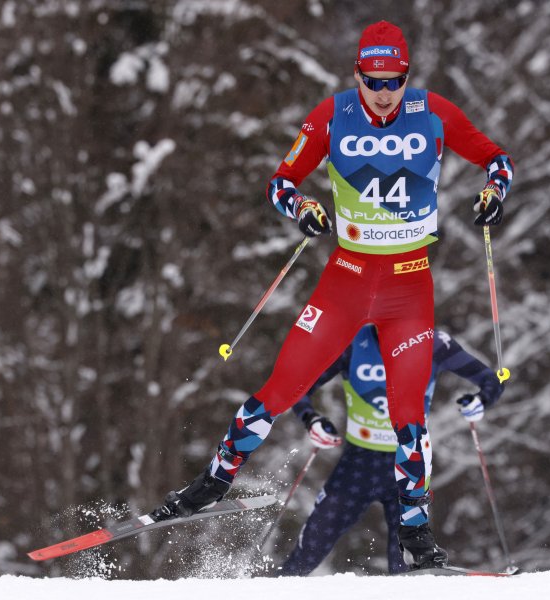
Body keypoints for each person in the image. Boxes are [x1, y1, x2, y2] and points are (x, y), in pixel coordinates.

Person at [150, 20, 514, 569]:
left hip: (409, 286)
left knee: (409, 413)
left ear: (407, 76)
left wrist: (494, 191)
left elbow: (498, 159)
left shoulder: (433, 112)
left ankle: (416, 532)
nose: (385, 92)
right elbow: (281, 182)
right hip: (346, 280)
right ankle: (212, 483)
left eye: (395, 80)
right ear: (358, 75)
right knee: (279, 387)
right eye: (374, 81)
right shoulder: (331, 115)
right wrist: (303, 209)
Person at [279, 325, 504, 575]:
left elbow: (491, 380)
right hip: (358, 466)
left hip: (410, 465)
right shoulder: (351, 340)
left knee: (407, 569)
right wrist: (311, 420)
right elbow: (297, 388)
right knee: (307, 553)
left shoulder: (434, 342)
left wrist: (481, 401)